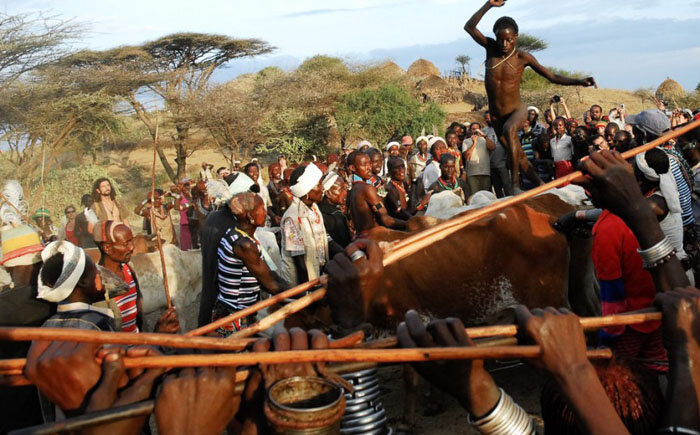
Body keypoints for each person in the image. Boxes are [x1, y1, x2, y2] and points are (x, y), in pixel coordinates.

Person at [464, 0, 595, 191]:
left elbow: (551, 76)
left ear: (516, 37)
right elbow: (469, 27)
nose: (504, 44)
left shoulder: (522, 58)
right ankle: (543, 187)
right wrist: (488, 5)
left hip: (517, 111)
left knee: (510, 130)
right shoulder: (490, 48)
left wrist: (579, 81)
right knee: (519, 156)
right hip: (496, 116)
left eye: (509, 39)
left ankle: (515, 186)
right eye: (501, 39)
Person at [213, 192, 282, 335]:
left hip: (238, 310)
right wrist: (305, 295)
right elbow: (270, 284)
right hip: (236, 315)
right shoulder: (244, 245)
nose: (266, 213)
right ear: (250, 216)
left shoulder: (235, 233)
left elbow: (268, 273)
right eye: (262, 208)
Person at [94, 220, 179, 333]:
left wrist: (157, 330)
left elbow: (138, 317)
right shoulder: (98, 283)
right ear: (107, 248)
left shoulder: (129, 269)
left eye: (132, 241)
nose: (132, 248)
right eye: (126, 243)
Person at [35, 240, 115, 332]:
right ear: (82, 282)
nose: (100, 275)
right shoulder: (97, 323)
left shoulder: (47, 325)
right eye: (95, 271)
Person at [280, 164, 330, 286]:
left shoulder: (314, 208)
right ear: (307, 189)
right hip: (301, 283)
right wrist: (308, 291)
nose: (323, 188)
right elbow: (299, 262)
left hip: (318, 274)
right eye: (319, 185)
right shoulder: (291, 218)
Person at [348, 152, 407, 236]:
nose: (369, 168)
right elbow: (385, 219)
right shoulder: (367, 188)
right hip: (373, 237)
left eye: (369, 163)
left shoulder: (353, 188)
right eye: (364, 165)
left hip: (361, 236)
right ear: (353, 168)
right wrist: (409, 224)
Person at [319, 172, 352, 249]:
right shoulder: (336, 216)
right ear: (328, 193)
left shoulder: (318, 210)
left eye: (345, 189)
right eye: (341, 189)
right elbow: (346, 244)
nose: (345, 193)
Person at [484, 110, 512, 197]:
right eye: (486, 118)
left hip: (503, 163)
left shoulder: (502, 128)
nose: (488, 120)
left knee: (507, 188)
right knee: (497, 189)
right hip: (492, 165)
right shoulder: (484, 131)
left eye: (490, 118)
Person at [462, 122, 495, 193]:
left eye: (477, 129)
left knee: (486, 196)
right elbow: (466, 156)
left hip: (485, 172)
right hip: (472, 174)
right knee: (474, 196)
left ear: (480, 130)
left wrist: (484, 136)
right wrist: (474, 143)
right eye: (473, 129)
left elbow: (493, 147)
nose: (475, 131)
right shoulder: (466, 141)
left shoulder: (485, 140)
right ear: (470, 130)